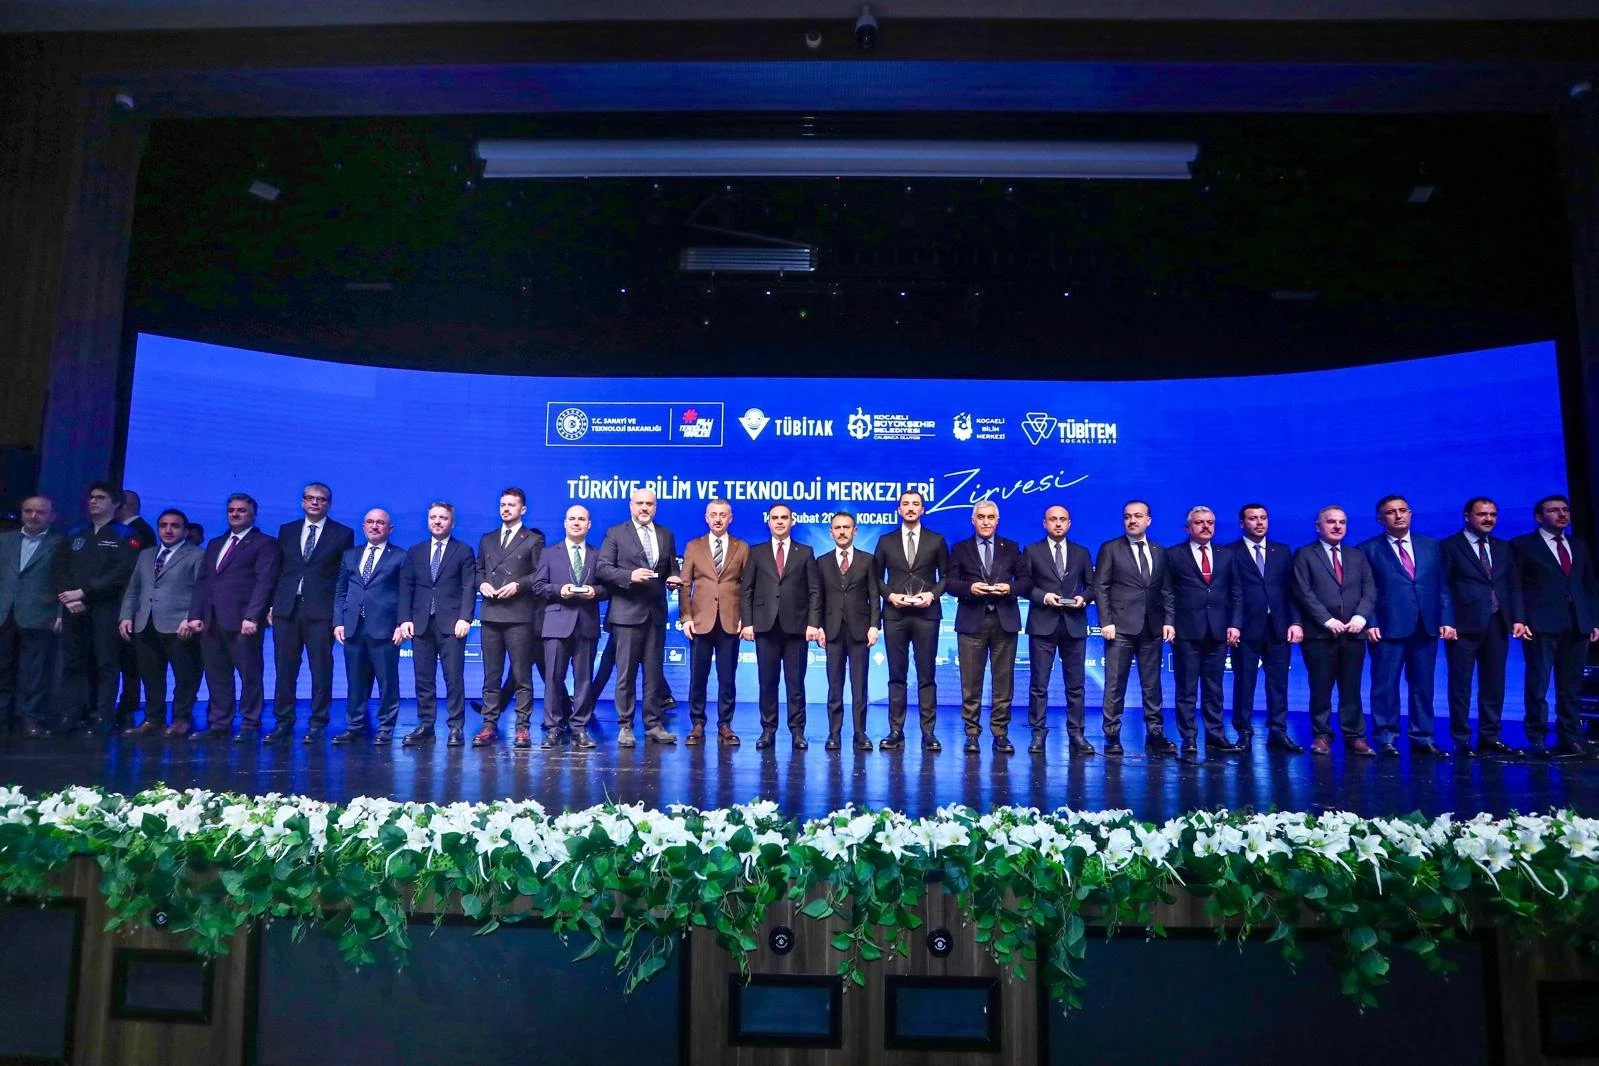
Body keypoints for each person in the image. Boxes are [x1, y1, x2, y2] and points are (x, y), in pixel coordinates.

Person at [1357, 495, 1456, 757]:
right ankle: (1386, 737)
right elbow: (1365, 591)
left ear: (1410, 514)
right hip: (1387, 627)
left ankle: (1422, 736)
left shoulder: (1430, 545)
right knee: (1385, 686)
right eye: (1391, 512)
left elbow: (1442, 586)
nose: (1398, 515)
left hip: (1426, 625)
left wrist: (1446, 619)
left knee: (1423, 685)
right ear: (1380, 519)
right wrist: (1370, 622)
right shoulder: (1368, 549)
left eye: (1403, 510)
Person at [184, 493, 282, 742]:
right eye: (231, 510)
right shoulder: (216, 543)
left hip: (243, 621)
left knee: (250, 674)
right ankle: (220, 723)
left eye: (241, 510)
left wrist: (253, 616)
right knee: (217, 674)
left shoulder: (265, 543)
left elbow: (264, 582)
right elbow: (203, 581)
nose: (235, 514)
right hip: (211, 619)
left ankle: (250, 724)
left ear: (253, 515)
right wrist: (195, 614)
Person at [1511, 494, 1599, 759]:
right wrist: (1519, 619)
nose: (1562, 514)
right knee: (1538, 684)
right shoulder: (1523, 545)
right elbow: (1515, 586)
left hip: (1577, 622)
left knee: (1571, 685)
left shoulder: (1578, 545)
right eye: (1554, 510)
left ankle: (1570, 737)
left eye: (1565, 509)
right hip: (1540, 624)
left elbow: (1589, 585)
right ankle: (1537, 738)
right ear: (1539, 517)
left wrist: (1593, 620)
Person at [1439, 497, 1527, 757]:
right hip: (1462, 627)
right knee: (1461, 686)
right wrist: (1447, 620)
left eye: (1493, 515)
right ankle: (1461, 739)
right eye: (1482, 514)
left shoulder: (1503, 547)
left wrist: (1518, 618)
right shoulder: (1449, 546)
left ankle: (1490, 736)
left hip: (1497, 623)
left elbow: (1513, 585)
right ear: (1467, 516)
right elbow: (1443, 587)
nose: (1489, 519)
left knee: (1494, 683)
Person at [268, 481, 355, 745]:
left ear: (329, 504)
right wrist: (272, 604)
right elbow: (278, 570)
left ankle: (318, 723)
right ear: (302, 502)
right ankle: (284, 722)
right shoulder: (287, 530)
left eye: (321, 499)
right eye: (310, 498)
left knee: (321, 670)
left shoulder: (342, 533)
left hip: (321, 611)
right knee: (284, 669)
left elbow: (343, 577)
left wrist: (339, 614)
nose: (315, 502)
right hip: (287, 609)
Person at [596, 488, 681, 747]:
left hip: (655, 614)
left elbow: (671, 567)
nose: (644, 508)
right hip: (626, 613)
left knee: (654, 674)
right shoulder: (615, 533)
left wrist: (673, 578)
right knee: (626, 675)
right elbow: (602, 568)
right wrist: (628, 576)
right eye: (640, 503)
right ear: (631, 505)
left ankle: (653, 724)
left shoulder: (666, 534)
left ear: (655, 507)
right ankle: (625, 725)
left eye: (649, 504)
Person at [53, 482, 138, 734]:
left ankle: (103, 716)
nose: (93, 501)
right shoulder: (75, 532)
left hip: (106, 608)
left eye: (100, 498)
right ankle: (70, 715)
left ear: (116, 504)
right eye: (91, 497)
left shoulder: (125, 535)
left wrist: (85, 591)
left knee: (106, 664)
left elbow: (122, 572)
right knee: (73, 664)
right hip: (73, 608)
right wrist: (70, 598)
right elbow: (60, 568)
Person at [1093, 500, 1176, 758]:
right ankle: (1112, 734)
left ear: (1148, 520)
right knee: (1115, 685)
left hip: (1152, 627)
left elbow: (1166, 590)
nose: (1132, 520)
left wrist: (1169, 620)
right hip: (1119, 627)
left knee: (1152, 685)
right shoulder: (1110, 548)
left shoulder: (1160, 551)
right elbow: (1101, 587)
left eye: (1138, 516)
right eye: (1127, 516)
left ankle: (1155, 734)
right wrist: (1105, 621)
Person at [1291, 506, 1376, 756]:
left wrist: (1360, 617)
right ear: (1318, 526)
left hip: (1353, 633)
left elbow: (1370, 590)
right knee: (1321, 688)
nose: (1337, 526)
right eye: (1331, 522)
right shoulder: (1305, 554)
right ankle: (1322, 735)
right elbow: (1302, 592)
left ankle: (1355, 736)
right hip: (1320, 635)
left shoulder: (1357, 555)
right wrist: (1327, 620)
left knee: (1351, 688)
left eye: (1342, 522)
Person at [739, 503, 821, 750]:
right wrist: (748, 622)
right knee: (767, 683)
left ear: (792, 521)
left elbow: (814, 591)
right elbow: (747, 590)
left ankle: (797, 731)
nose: (780, 522)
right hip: (765, 627)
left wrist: (813, 624)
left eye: (784, 517)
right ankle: (768, 730)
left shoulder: (805, 552)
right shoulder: (757, 552)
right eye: (775, 518)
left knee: (795, 685)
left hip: (796, 628)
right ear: (769, 522)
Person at [1166, 506, 1243, 762]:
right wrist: (1169, 623)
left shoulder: (1227, 555)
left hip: (1218, 631)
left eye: (1210, 522)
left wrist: (1235, 624)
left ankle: (1215, 735)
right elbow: (1167, 593)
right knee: (1186, 689)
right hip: (1186, 631)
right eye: (1200, 523)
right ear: (1188, 528)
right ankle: (1188, 738)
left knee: (1214, 688)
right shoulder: (1174, 555)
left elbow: (1236, 592)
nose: (1206, 526)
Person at [117, 509, 203, 736]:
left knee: (185, 676)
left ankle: (181, 719)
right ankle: (153, 719)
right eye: (163, 525)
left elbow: (202, 591)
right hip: (145, 622)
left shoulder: (196, 555)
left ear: (185, 530)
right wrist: (126, 616)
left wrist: (191, 618)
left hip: (179, 624)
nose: (168, 530)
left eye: (175, 525)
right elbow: (134, 589)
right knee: (151, 674)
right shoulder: (146, 554)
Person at [946, 501, 1023, 754]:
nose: (986, 521)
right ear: (973, 520)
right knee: (970, 682)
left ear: (997, 521)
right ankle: (972, 733)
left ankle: (1000, 733)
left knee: (1004, 682)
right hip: (971, 620)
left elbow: (1026, 581)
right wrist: (969, 588)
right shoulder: (960, 549)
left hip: (1004, 620)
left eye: (991, 517)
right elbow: (950, 583)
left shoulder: (1011, 547)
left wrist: (1010, 588)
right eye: (981, 517)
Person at [1226, 503, 1304, 753]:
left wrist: (1296, 622)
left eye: (1263, 518)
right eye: (1253, 518)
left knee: (1278, 683)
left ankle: (1278, 731)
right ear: (1242, 524)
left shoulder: (1282, 551)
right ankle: (1244, 732)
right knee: (1244, 682)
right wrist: (1233, 624)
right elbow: (1229, 593)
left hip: (1278, 627)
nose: (1259, 522)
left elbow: (1292, 591)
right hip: (1245, 629)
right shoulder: (1230, 552)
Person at [1017, 504, 1094, 755]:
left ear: (1069, 523)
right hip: (1043, 623)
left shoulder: (1082, 552)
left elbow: (1092, 587)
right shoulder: (1032, 551)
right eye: (1053, 519)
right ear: (1045, 523)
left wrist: (1083, 598)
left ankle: (1077, 733)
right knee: (1039, 684)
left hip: (1074, 624)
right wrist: (1043, 596)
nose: (1058, 523)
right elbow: (1024, 586)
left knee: (1076, 685)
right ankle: (1038, 733)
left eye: (1062, 519)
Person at [874, 490, 948, 752]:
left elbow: (946, 577)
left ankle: (928, 732)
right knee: (897, 675)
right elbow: (875, 578)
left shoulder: (936, 540)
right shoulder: (885, 541)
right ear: (899, 510)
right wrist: (890, 596)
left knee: (927, 675)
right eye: (905, 504)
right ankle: (896, 730)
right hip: (895, 615)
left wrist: (932, 594)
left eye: (915, 504)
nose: (910, 508)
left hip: (927, 614)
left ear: (922, 510)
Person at [331, 509, 411, 745]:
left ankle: (385, 727)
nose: (374, 526)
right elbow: (341, 590)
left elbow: (406, 594)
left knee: (387, 683)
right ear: (363, 527)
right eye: (370, 522)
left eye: (380, 523)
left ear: (389, 529)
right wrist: (338, 621)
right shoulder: (350, 555)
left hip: (385, 629)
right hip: (353, 627)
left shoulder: (400, 556)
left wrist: (401, 624)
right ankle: (355, 726)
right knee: (355, 681)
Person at [399, 501, 475, 747]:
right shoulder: (415, 551)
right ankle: (426, 725)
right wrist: (404, 619)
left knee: (453, 678)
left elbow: (468, 587)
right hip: (421, 623)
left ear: (452, 522)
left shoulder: (463, 551)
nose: (438, 521)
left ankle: (456, 726)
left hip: (452, 625)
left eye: (443, 518)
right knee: (423, 678)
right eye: (433, 517)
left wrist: (465, 618)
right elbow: (406, 588)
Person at [473, 487, 544, 748]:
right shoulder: (487, 539)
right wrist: (481, 583)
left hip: (519, 615)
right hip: (491, 614)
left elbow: (540, 574)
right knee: (491, 676)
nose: (506, 509)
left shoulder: (533, 540)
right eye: (503, 504)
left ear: (522, 509)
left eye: (511, 505)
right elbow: (478, 570)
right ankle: (488, 725)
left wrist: (518, 585)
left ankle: (522, 728)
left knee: (522, 676)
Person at [532, 505, 608, 749]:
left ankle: (579, 728)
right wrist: (558, 590)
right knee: (553, 678)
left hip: (586, 623)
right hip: (556, 622)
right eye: (572, 519)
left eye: (581, 519)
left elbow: (608, 588)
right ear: (565, 523)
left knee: (583, 679)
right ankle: (553, 728)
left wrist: (594, 591)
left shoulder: (598, 554)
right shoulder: (549, 553)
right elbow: (538, 586)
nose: (576, 523)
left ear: (589, 525)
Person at [678, 498, 748, 746]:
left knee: (727, 677)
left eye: (723, 515)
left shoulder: (742, 547)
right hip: (700, 621)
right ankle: (697, 724)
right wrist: (686, 617)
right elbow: (685, 584)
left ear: (730, 519)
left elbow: (748, 586)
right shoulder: (694, 546)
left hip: (731, 620)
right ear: (706, 518)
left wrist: (746, 618)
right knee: (698, 676)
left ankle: (725, 725)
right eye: (713, 515)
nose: (718, 519)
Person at [816, 511, 880, 752]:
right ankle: (834, 733)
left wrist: (874, 626)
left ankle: (860, 733)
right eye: (837, 528)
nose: (842, 532)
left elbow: (874, 596)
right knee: (834, 685)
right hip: (831, 631)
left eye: (846, 527)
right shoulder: (822, 561)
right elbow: (817, 597)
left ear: (855, 531)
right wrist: (818, 626)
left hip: (860, 631)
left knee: (859, 685)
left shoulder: (868, 560)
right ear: (830, 532)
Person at [0, 496, 63, 737]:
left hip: (40, 613)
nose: (33, 516)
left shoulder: (60, 543)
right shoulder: (5, 540)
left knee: (34, 673)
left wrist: (61, 613)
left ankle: (30, 718)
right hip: (4, 611)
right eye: (28, 511)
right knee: (2, 668)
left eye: (40, 512)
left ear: (52, 516)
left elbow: (65, 580)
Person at [113, 489, 156, 725]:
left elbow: (133, 573)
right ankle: (126, 705)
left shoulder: (140, 531)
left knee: (130, 660)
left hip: (130, 603)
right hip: (122, 603)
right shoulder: (136, 529)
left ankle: (128, 706)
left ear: (122, 505)